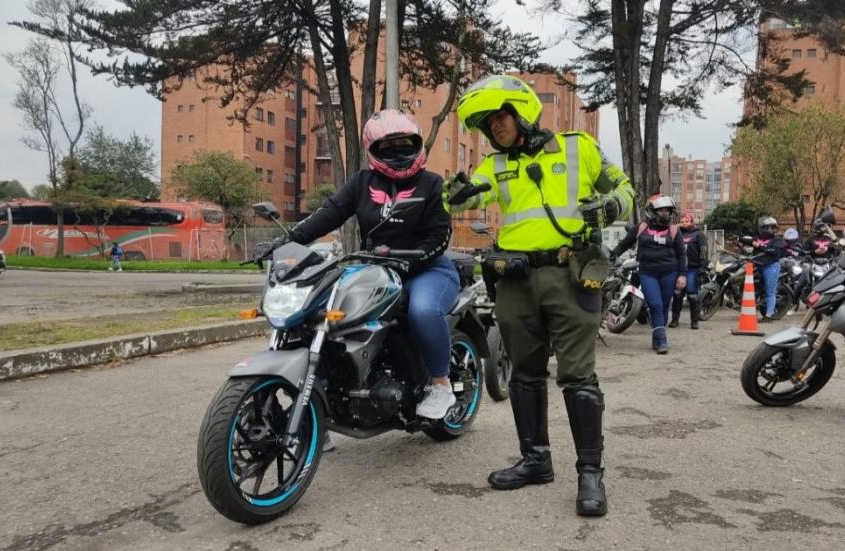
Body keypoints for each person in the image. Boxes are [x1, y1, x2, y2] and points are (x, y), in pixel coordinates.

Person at [447, 74, 635, 516]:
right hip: (514, 279)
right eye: (488, 123)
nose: (495, 127)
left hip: (568, 275)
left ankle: (590, 472)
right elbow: (460, 201)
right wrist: (454, 196)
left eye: (500, 116)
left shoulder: (577, 147)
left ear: (522, 112)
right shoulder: (494, 166)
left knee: (577, 375)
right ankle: (535, 460)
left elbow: (625, 191)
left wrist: (609, 206)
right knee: (525, 374)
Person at [254, 109, 459, 420]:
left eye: (405, 144)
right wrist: (288, 241)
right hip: (376, 270)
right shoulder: (362, 182)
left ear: (418, 144)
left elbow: (440, 236)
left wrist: (414, 258)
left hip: (427, 269)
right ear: (372, 150)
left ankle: (441, 384)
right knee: (326, 315)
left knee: (422, 310)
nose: (398, 152)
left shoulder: (432, 184)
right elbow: (330, 212)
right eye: (387, 147)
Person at [609, 195, 685, 353]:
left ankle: (657, 337)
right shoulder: (641, 227)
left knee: (664, 307)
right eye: (661, 210)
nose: (665, 213)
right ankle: (662, 341)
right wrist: (612, 255)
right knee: (655, 305)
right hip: (648, 272)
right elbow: (625, 243)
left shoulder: (674, 230)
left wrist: (682, 275)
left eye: (667, 210)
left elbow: (681, 254)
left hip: (669, 272)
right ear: (651, 211)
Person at [671, 213, 707, 330]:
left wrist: (702, 269)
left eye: (686, 221)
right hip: (680, 268)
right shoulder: (677, 234)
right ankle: (675, 319)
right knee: (677, 294)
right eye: (682, 221)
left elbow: (703, 251)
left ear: (692, 222)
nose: (684, 223)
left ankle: (694, 321)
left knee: (692, 295)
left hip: (693, 268)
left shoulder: (699, 234)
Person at [752, 216, 786, 320]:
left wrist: (760, 246)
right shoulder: (756, 238)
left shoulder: (778, 240)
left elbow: (774, 251)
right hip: (756, 266)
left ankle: (768, 315)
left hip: (771, 266)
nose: (770, 230)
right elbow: (748, 243)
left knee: (770, 291)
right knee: (753, 289)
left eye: (772, 227)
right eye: (767, 227)